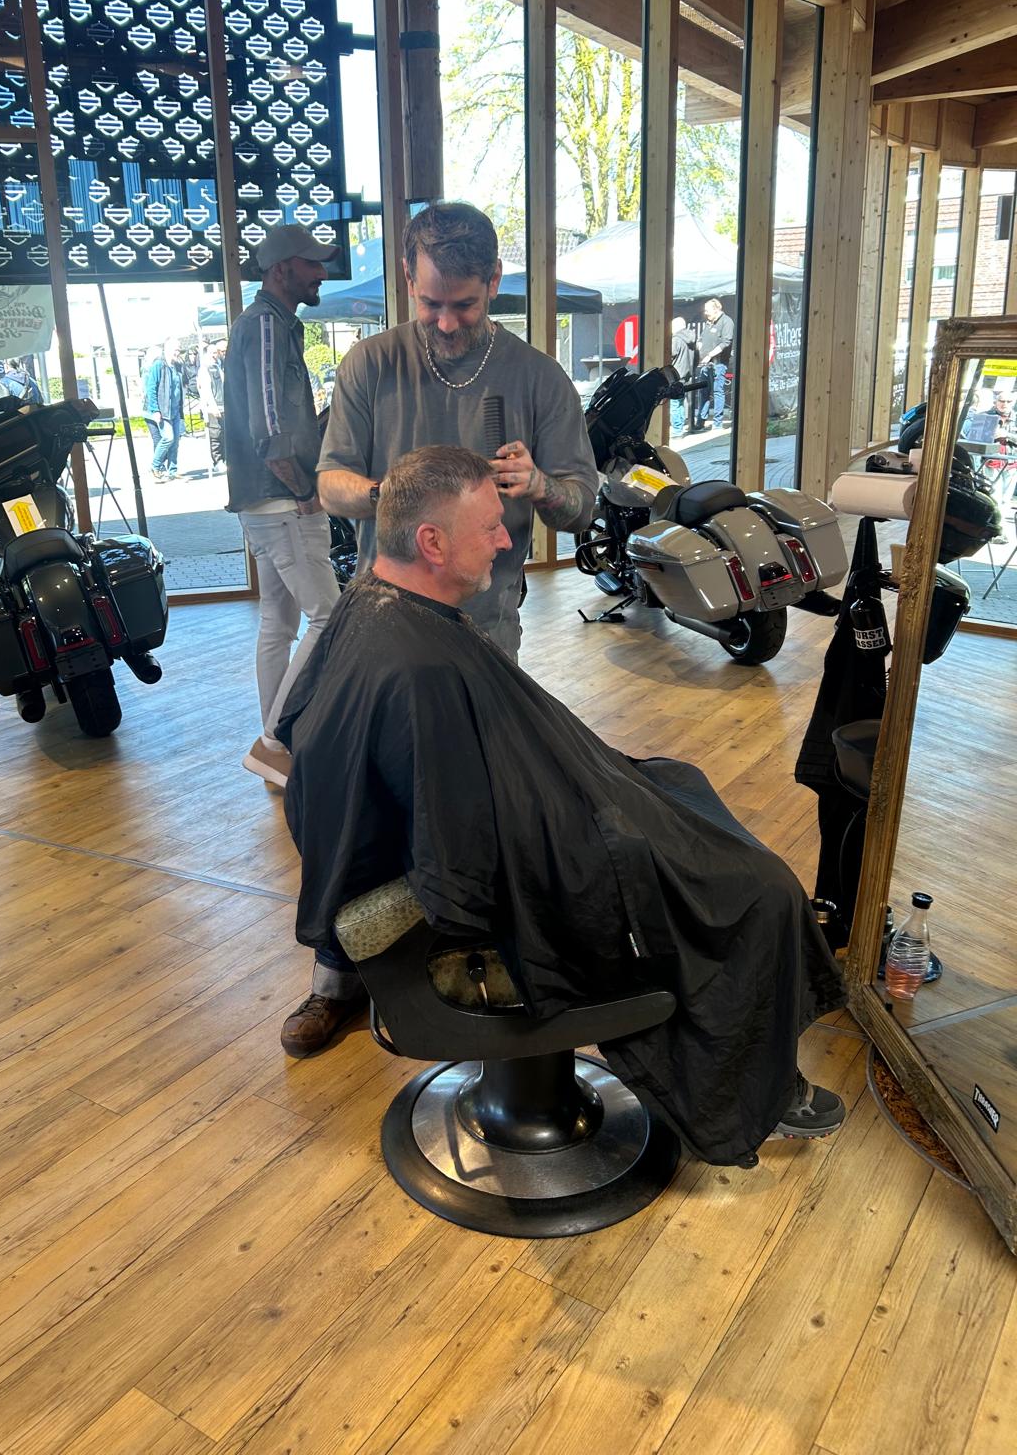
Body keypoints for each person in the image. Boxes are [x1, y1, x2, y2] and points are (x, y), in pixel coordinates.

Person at [276, 444, 847, 1163]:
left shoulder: (372, 609)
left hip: (537, 810)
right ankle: (750, 1086)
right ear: (431, 542)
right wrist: (596, 835)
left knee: (676, 785)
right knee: (756, 889)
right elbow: (462, 869)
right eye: (490, 526)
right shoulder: (417, 670)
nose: (504, 541)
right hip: (502, 871)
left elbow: (300, 732)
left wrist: (587, 785)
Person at [317, 201, 598, 660]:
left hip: (488, 633)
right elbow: (331, 486)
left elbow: (581, 509)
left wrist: (539, 485)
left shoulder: (540, 378)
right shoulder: (370, 365)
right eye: (431, 304)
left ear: (493, 280)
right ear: (409, 279)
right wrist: (391, 494)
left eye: (464, 305)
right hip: (384, 624)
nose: (446, 323)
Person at [223, 223, 341, 788]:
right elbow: (269, 427)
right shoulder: (268, 325)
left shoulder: (266, 324)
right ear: (280, 269)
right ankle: (272, 743)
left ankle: (278, 746)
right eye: (311, 263)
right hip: (281, 502)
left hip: (261, 503)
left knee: (278, 621)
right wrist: (305, 492)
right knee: (329, 616)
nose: (321, 273)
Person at [143, 338, 185, 482]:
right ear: (167, 349)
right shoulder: (159, 365)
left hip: (175, 410)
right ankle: (155, 465)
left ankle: (172, 470)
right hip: (163, 410)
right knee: (168, 438)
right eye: (176, 349)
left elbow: (179, 388)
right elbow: (151, 388)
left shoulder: (177, 366)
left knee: (176, 441)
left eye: (179, 349)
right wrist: (155, 410)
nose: (178, 352)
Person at [696, 297, 735, 430]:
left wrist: (710, 355)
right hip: (705, 364)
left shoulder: (726, 321)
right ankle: (700, 421)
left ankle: (717, 423)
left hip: (719, 364)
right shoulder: (709, 323)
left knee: (718, 392)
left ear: (716, 309)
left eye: (707, 310)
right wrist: (700, 347)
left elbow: (726, 342)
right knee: (703, 392)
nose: (705, 313)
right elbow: (701, 338)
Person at [198, 340, 226, 476]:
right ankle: (217, 461)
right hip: (212, 408)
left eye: (216, 352)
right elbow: (206, 391)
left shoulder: (218, 366)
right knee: (215, 434)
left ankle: (224, 460)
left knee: (224, 434)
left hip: (223, 405)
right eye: (212, 353)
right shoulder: (204, 369)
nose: (215, 355)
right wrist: (212, 406)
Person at [669, 316, 695, 434]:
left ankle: (677, 429)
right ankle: (680, 426)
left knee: (675, 403)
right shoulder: (692, 338)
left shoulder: (676, 339)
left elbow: (670, 355)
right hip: (688, 375)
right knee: (681, 402)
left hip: (676, 375)